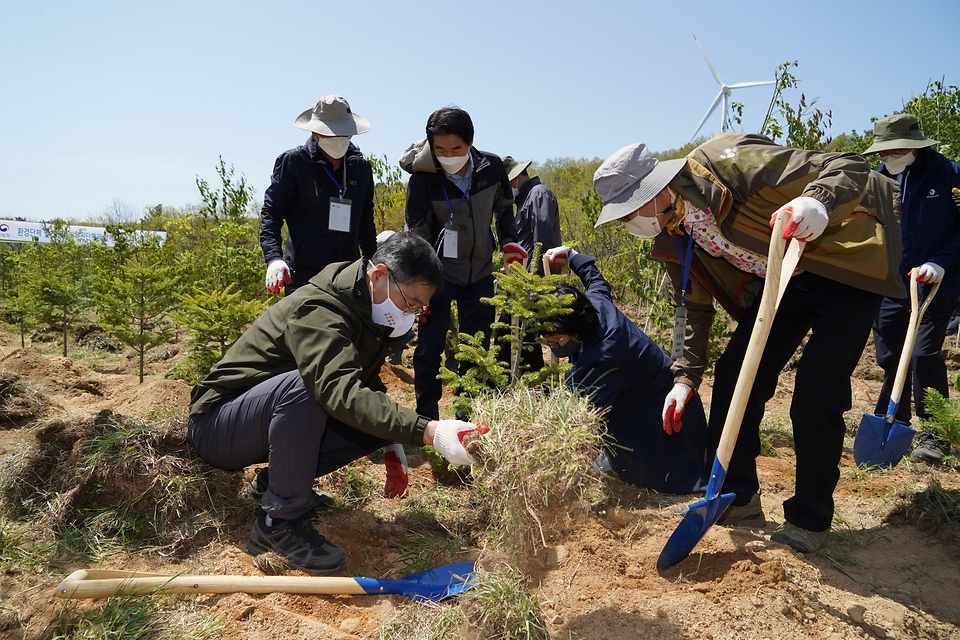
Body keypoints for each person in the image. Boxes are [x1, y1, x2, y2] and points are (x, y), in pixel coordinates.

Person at [593, 135, 904, 554]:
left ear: (657, 189)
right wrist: (684, 379)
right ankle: (737, 498)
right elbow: (693, 309)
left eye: (630, 208)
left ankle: (809, 518)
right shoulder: (671, 236)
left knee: (816, 390)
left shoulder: (727, 162)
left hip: (844, 266)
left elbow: (849, 166)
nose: (628, 220)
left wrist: (817, 203)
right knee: (735, 374)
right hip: (783, 283)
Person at [188, 231, 488, 575]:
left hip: (260, 420)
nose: (412, 314)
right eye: (410, 302)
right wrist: (429, 431)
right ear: (378, 275)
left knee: (375, 417)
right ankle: (277, 524)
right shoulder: (321, 306)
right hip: (217, 425)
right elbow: (336, 388)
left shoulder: (365, 309)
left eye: (420, 308)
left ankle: (275, 486)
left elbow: (364, 385)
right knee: (309, 388)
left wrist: (391, 439)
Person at [539, 246, 708, 493]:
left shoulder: (603, 356)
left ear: (576, 332)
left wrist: (562, 457)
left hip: (658, 406)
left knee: (654, 470)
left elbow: (588, 419)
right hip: (638, 385)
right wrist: (573, 255)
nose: (551, 346)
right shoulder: (594, 305)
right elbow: (595, 279)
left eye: (556, 340)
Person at [401, 107, 527, 419]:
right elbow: (418, 235)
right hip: (438, 276)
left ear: (470, 143)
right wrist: (422, 282)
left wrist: (510, 242)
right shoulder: (422, 180)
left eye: (456, 149)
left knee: (477, 345)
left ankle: (466, 415)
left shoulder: (492, 167)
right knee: (430, 347)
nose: (448, 156)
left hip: (481, 272)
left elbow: (504, 210)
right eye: (440, 149)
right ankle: (427, 418)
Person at [862, 114, 960, 464]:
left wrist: (941, 262)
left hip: (937, 284)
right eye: (884, 151)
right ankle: (894, 419)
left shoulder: (949, 175)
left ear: (913, 145)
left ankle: (936, 432)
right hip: (892, 283)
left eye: (894, 150)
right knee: (890, 353)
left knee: (922, 353)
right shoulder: (879, 179)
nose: (888, 156)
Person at [260, 95, 378, 296]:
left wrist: (373, 261)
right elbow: (271, 212)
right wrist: (274, 258)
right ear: (316, 132)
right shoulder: (294, 162)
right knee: (305, 327)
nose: (339, 140)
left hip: (347, 273)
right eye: (332, 135)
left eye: (344, 135)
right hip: (305, 273)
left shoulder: (360, 168)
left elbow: (366, 221)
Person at [503, 156, 562, 274]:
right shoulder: (525, 199)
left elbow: (542, 242)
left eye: (506, 186)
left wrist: (534, 277)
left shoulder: (538, 194)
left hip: (539, 281)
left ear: (515, 178)